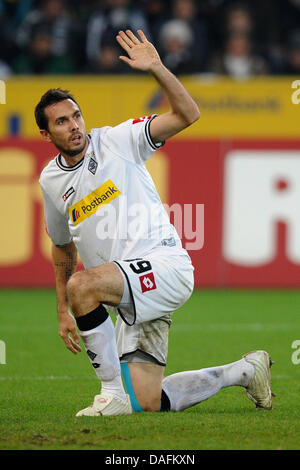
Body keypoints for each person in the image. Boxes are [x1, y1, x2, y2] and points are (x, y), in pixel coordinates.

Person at [37, 29, 274, 416]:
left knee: (85, 285)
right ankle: (244, 371)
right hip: (126, 288)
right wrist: (62, 308)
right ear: (46, 134)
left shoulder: (118, 140)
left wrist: (157, 68)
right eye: (62, 122)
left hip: (164, 268)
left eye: (77, 115)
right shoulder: (51, 181)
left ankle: (110, 393)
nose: (75, 125)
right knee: (146, 403)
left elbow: (188, 115)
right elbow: (63, 246)